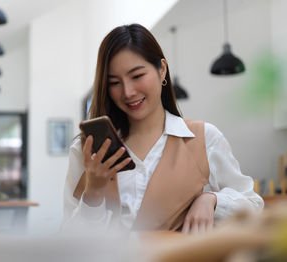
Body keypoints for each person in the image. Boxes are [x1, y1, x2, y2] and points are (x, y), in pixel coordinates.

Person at [62, 24, 263, 233]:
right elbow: (68, 244)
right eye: (114, 82)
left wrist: (212, 200)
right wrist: (93, 192)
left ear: (162, 69)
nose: (128, 92)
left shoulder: (204, 139)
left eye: (137, 76)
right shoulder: (87, 150)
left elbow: (253, 205)